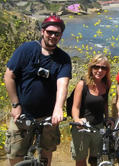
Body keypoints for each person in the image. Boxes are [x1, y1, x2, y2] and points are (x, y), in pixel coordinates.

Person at [4, 14, 72, 166]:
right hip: (22, 114)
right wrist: (15, 105)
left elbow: (63, 84)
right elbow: (9, 77)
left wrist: (58, 108)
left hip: (48, 116)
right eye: (50, 32)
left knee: (46, 152)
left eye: (57, 33)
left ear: (61, 35)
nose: (53, 36)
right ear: (42, 31)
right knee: (16, 153)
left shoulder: (63, 58)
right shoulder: (26, 49)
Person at [71, 54, 111, 166]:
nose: (99, 70)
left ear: (107, 70)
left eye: (103, 68)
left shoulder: (106, 84)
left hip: (98, 126)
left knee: (95, 159)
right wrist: (76, 119)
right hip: (82, 127)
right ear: (91, 68)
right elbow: (75, 107)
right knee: (80, 159)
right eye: (96, 67)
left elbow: (105, 104)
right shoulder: (82, 84)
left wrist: (107, 118)